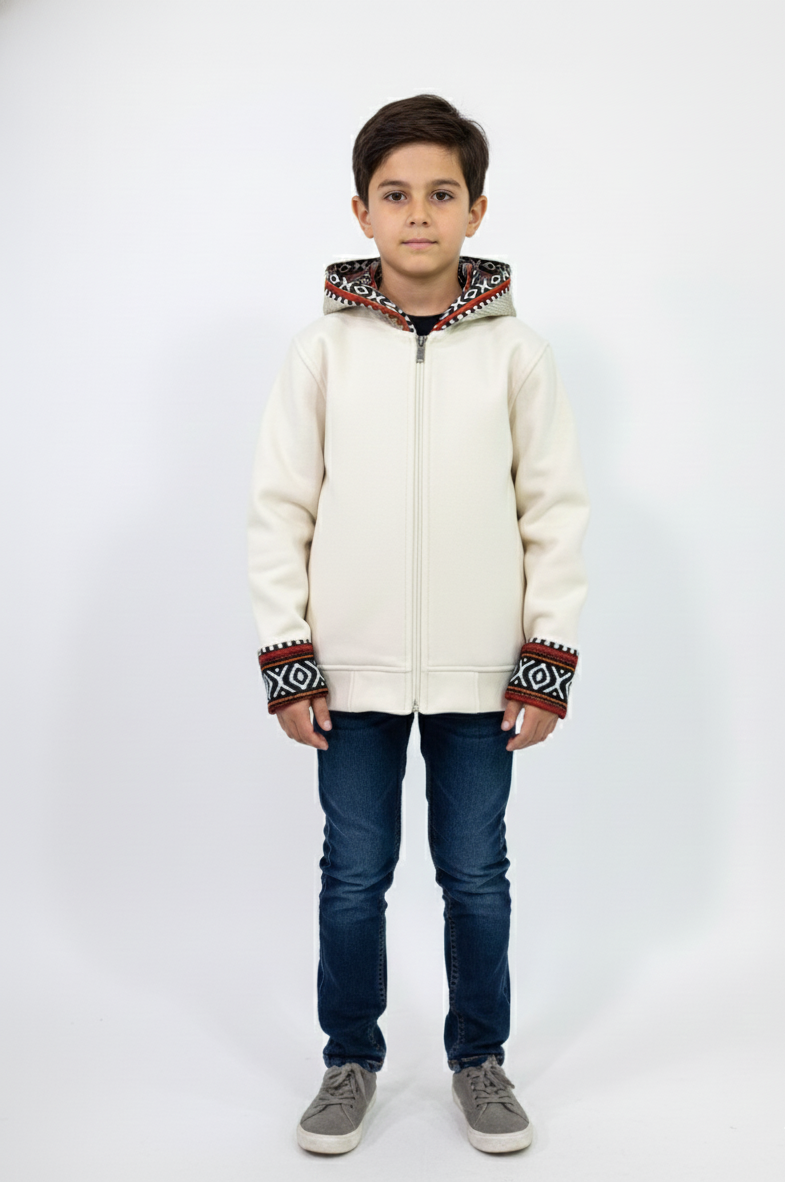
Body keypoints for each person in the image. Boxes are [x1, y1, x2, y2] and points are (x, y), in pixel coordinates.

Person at [247, 94, 589, 1156]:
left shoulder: (517, 355)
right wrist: (288, 655)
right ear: (361, 211)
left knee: (474, 875)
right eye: (394, 195)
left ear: (475, 210)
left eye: (441, 194)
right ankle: (348, 1059)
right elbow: (280, 507)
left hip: (482, 675)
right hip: (345, 674)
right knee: (353, 876)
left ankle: (478, 1060)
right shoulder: (321, 352)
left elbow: (553, 512)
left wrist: (543, 660)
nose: (418, 214)